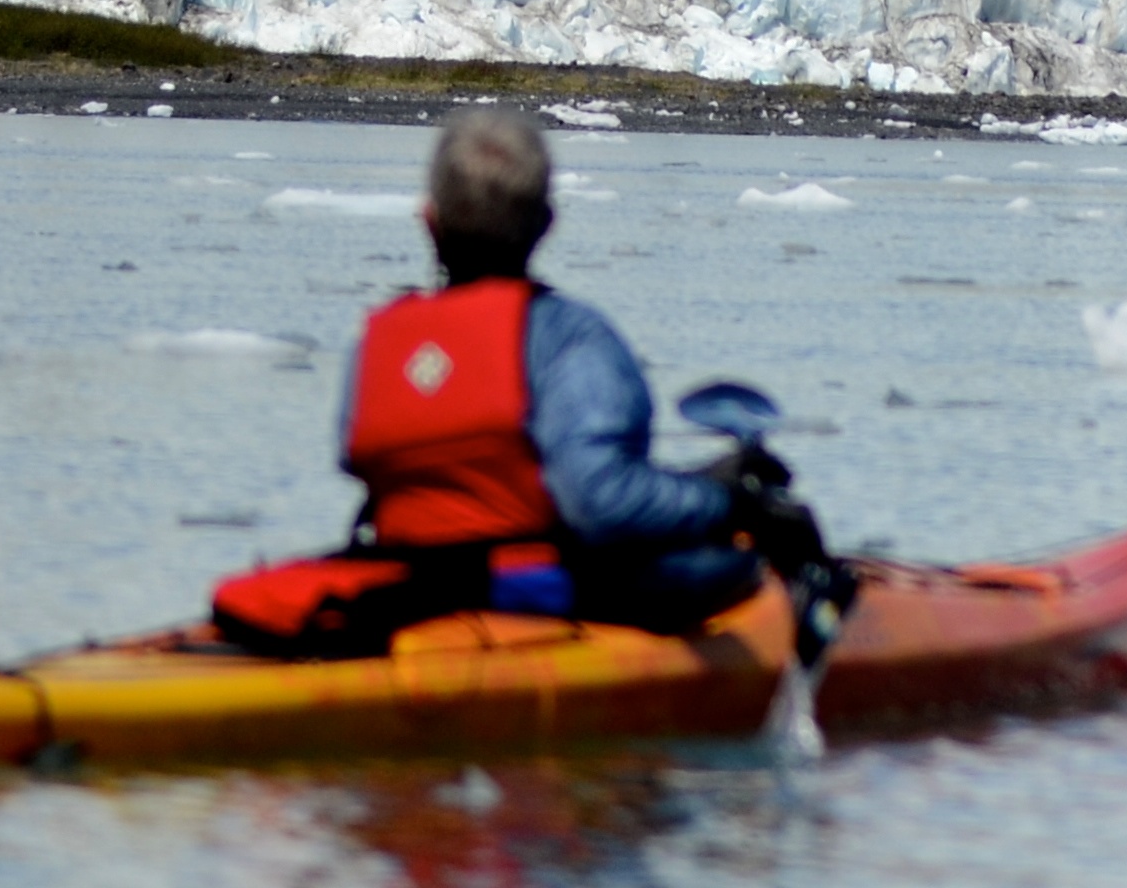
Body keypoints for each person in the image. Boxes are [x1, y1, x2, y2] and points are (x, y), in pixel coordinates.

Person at [324, 108, 816, 632]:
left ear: (429, 220)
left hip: (410, 588)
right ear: (545, 223)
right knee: (746, 567)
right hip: (531, 591)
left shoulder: (382, 338)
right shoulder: (569, 336)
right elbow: (597, 500)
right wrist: (730, 501)